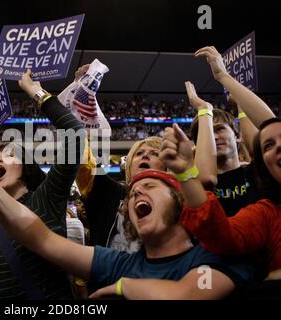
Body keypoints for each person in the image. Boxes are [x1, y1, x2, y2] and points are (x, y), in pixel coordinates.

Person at [0, 154, 254, 299]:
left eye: (149, 185)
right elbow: (40, 238)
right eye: (132, 193)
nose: (137, 194)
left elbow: (187, 296)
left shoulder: (215, 254)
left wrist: (125, 286)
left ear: (179, 201)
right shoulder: (118, 263)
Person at [0, 69, 85, 299]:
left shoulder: (46, 199)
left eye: (9, 155)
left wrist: (36, 92)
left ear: (26, 167)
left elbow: (75, 134)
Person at [161, 119, 280, 279]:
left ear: (237, 136)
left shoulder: (251, 174)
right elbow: (221, 235)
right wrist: (186, 171)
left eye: (219, 130)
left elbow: (269, 122)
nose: (278, 146)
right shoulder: (267, 213)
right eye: (268, 146)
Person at [189, 46, 275, 216]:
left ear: (237, 136)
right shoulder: (192, 186)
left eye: (220, 129)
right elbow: (206, 178)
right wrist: (204, 110)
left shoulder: (258, 174)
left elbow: (271, 130)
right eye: (207, 133)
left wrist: (223, 77)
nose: (213, 136)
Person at [76, 136, 164, 252]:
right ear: (129, 165)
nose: (145, 155)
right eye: (139, 153)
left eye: (155, 154)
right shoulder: (109, 192)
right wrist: (81, 127)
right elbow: (80, 158)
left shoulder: (178, 199)